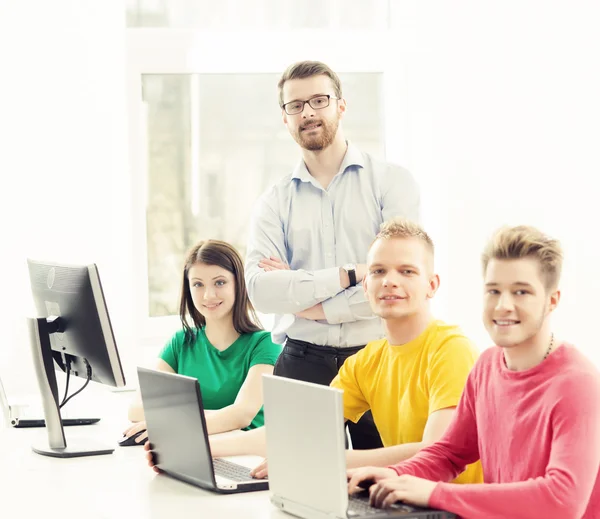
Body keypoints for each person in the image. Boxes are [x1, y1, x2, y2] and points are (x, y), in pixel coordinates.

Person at [154, 219, 481, 485]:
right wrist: (197, 448)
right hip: (408, 500)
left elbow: (433, 454)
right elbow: (291, 430)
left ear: (432, 285)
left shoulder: (449, 349)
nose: (389, 281)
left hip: (452, 508)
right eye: (378, 271)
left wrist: (324, 461)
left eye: (407, 271)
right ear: (365, 286)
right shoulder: (366, 362)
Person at [348, 225, 600, 518]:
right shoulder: (487, 366)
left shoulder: (578, 384)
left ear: (552, 300)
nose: (503, 306)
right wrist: (389, 474)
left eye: (521, 292)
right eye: (494, 291)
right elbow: (449, 454)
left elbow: (562, 502)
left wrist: (434, 493)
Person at [244, 60, 420, 449]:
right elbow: (261, 291)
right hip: (300, 362)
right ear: (285, 118)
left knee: (388, 487)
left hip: (380, 357)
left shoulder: (391, 183)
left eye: (319, 100)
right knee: (295, 487)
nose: (308, 112)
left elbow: (399, 282)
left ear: (341, 106)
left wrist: (310, 305)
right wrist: (351, 273)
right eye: (295, 105)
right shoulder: (273, 202)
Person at [123, 240, 281, 445]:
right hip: (191, 448)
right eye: (198, 284)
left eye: (220, 282)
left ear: (239, 284)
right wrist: (197, 420)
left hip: (242, 456)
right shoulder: (181, 342)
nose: (208, 295)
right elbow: (136, 408)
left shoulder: (265, 343)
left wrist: (171, 420)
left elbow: (242, 414)